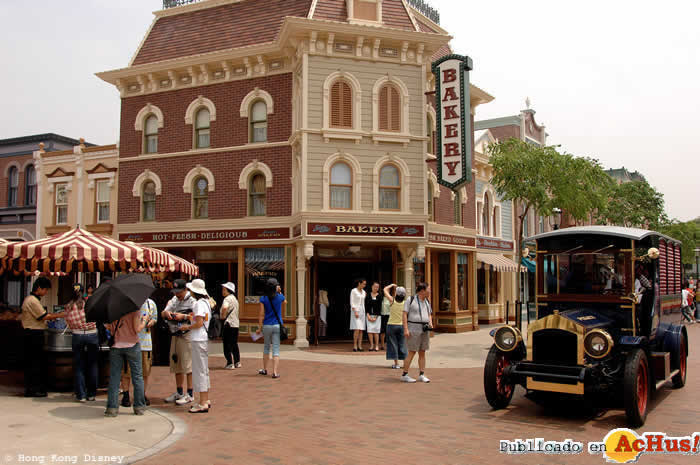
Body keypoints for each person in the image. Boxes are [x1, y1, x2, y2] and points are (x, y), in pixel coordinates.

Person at [20, 277, 64, 397]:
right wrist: (62, 314)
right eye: (45, 290)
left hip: (33, 334)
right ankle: (33, 389)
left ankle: (34, 388)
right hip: (33, 334)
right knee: (35, 362)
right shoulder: (32, 301)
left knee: (35, 362)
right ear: (39, 288)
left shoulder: (32, 300)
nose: (45, 293)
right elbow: (44, 316)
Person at [104, 309, 148, 417]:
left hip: (116, 345)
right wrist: (144, 321)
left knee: (114, 377)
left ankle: (112, 408)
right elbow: (137, 329)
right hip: (132, 344)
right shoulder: (134, 310)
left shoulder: (112, 310)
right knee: (137, 376)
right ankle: (139, 407)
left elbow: (108, 327)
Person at [178, 279, 212, 413]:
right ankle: (205, 399)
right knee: (203, 369)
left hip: (198, 339)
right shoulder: (206, 302)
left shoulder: (198, 304)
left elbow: (198, 323)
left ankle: (203, 401)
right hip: (202, 338)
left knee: (199, 371)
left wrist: (187, 326)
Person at [161, 279, 196, 405]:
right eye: (175, 292)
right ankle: (179, 392)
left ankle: (190, 393)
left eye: (179, 292)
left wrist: (184, 317)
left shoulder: (193, 301)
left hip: (187, 335)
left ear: (185, 289)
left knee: (188, 364)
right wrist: (167, 313)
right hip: (175, 334)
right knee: (176, 363)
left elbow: (199, 318)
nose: (177, 294)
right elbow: (163, 313)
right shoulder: (174, 300)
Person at [120, 297, 157, 407]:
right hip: (129, 342)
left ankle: (141, 394)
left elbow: (155, 318)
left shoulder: (151, 304)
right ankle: (126, 395)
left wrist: (151, 322)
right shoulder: (128, 304)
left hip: (145, 344)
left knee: (145, 372)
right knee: (127, 371)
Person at [64, 283, 98, 402]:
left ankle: (81, 394)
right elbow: (97, 317)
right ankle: (92, 393)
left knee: (79, 365)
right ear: (83, 292)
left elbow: (67, 321)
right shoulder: (89, 303)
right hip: (92, 334)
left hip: (77, 335)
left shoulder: (68, 306)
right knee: (92, 364)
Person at [401, 283, 433, 383]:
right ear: (422, 290)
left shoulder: (427, 301)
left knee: (422, 352)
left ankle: (421, 374)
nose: (429, 291)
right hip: (413, 328)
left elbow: (429, 314)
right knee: (412, 351)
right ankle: (405, 374)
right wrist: (406, 329)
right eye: (428, 289)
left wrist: (430, 322)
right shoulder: (410, 300)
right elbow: (404, 314)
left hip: (424, 329)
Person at [255, 278, 285, 378]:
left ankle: (264, 369)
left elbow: (261, 314)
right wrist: (280, 292)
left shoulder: (263, 298)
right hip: (277, 325)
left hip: (267, 325)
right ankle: (275, 372)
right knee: (276, 348)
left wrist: (259, 328)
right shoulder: (280, 297)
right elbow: (286, 302)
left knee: (266, 347)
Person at [383, 284, 407, 370]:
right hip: (402, 325)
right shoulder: (405, 303)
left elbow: (385, 290)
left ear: (396, 293)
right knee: (402, 344)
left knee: (393, 344)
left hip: (391, 325)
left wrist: (392, 285)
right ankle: (405, 363)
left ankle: (396, 364)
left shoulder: (392, 300)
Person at [220, 282, 241, 369]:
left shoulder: (227, 299)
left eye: (224, 289)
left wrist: (223, 316)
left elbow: (225, 307)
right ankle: (237, 362)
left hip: (228, 324)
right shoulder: (235, 299)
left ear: (228, 290)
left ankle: (229, 362)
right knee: (234, 343)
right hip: (235, 324)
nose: (222, 291)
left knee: (226, 344)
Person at [350, 278, 367, 352]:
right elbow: (352, 301)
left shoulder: (364, 292)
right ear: (359, 283)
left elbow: (363, 302)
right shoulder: (353, 291)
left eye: (365, 284)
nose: (364, 285)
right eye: (363, 284)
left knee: (361, 329)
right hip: (355, 311)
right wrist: (355, 311)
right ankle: (355, 345)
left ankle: (360, 345)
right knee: (356, 328)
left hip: (362, 311)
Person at [365, 281, 382, 351]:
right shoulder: (368, 295)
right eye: (375, 286)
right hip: (369, 315)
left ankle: (377, 345)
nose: (376, 288)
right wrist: (368, 315)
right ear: (372, 287)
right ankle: (371, 345)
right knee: (370, 331)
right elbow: (365, 305)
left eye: (377, 287)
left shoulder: (379, 296)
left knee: (376, 331)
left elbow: (380, 307)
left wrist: (375, 317)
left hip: (377, 316)